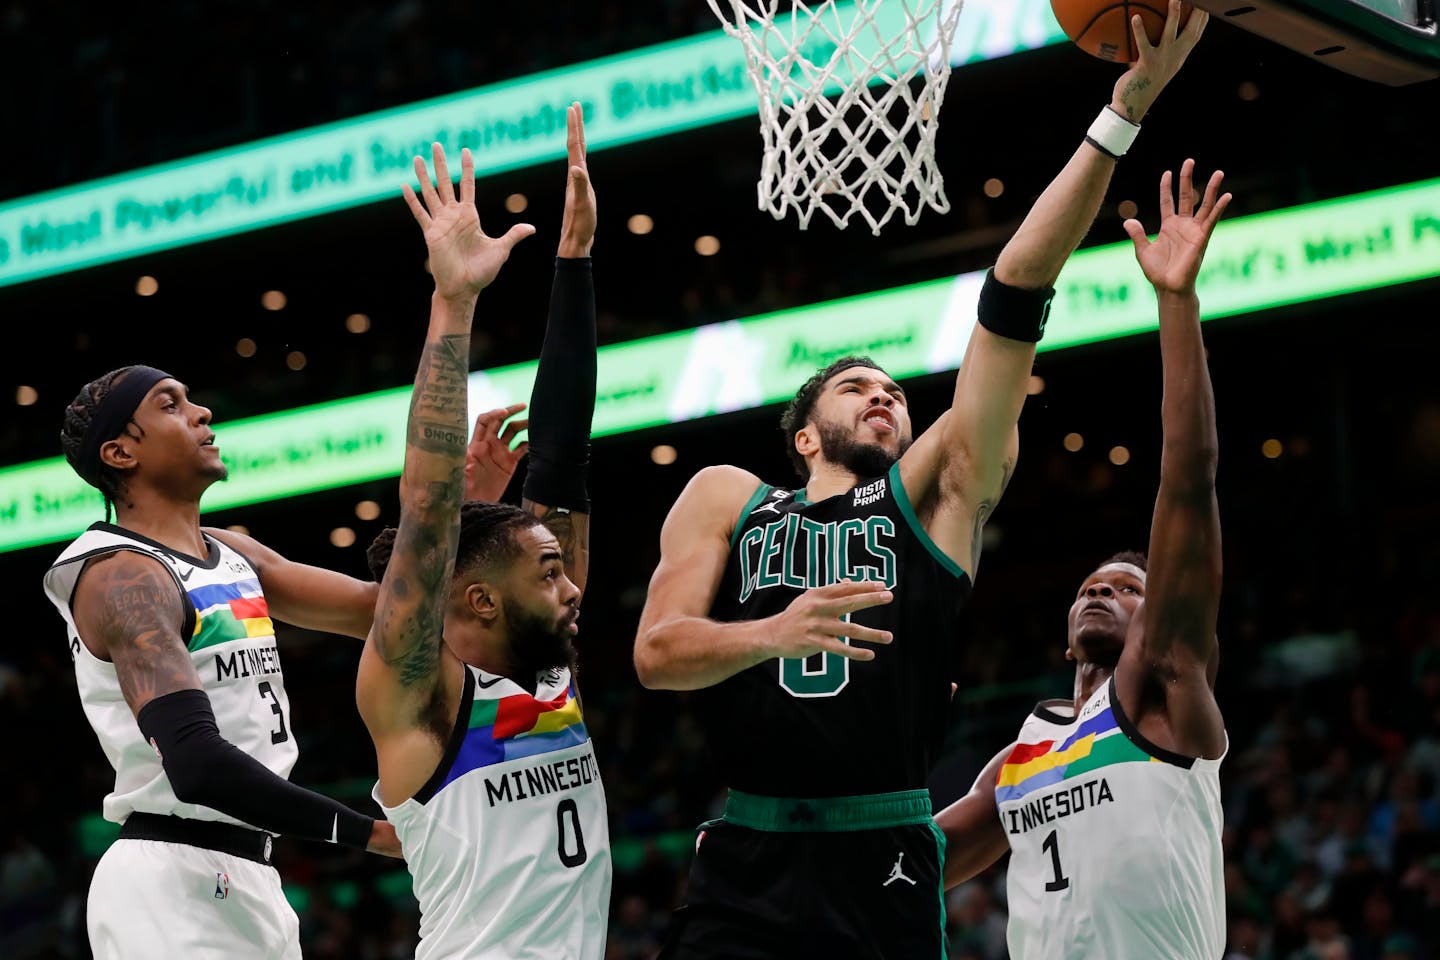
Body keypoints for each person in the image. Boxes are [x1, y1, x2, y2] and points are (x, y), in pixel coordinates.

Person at [632, 4, 1208, 955]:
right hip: (746, 853)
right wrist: (775, 631)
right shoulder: (726, 494)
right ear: (804, 434)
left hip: (884, 852)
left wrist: (1123, 113)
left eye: (897, 391)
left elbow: (1015, 291)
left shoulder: (937, 494)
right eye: (856, 388)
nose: (885, 398)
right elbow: (656, 654)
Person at [934, 158, 1232, 959]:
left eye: (1128, 588)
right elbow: (910, 864)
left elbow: (1188, 477)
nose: (1102, 592)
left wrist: (1177, 302)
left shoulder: (1164, 686)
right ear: (1066, 634)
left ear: (1160, 612)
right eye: (1091, 587)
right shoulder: (1021, 753)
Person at [43, 317, 401, 951]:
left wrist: (469, 501)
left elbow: (386, 617)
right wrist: (371, 834)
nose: (203, 411)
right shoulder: (122, 576)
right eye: (170, 405)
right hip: (168, 877)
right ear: (120, 453)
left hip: (250, 873)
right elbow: (198, 765)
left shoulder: (232, 552)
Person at [359, 102, 611, 959]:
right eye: (546, 572)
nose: (571, 582)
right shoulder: (421, 701)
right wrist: (453, 301)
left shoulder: (547, 674)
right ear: (477, 598)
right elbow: (428, 514)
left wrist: (573, 259)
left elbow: (565, 455)